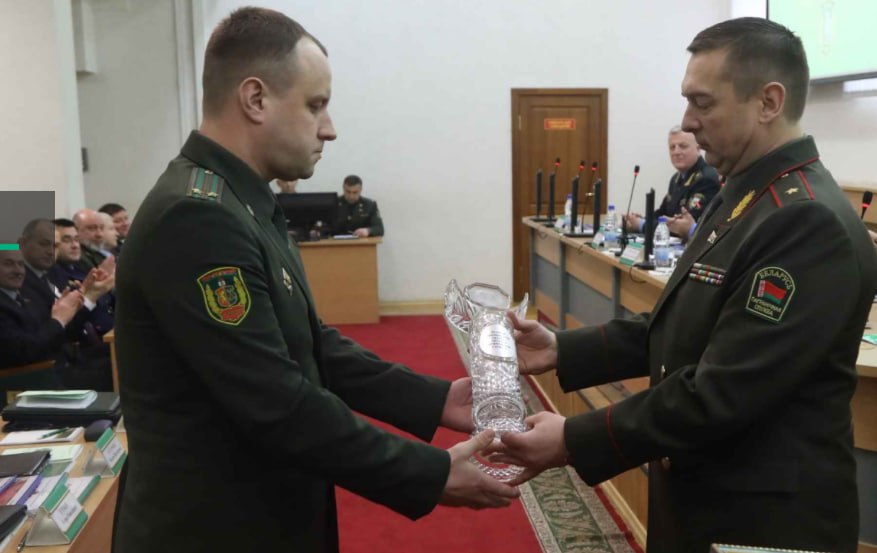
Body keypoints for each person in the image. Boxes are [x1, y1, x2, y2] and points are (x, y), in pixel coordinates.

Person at [112, 8, 516, 553]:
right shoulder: (197, 216)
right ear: (255, 99)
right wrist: (429, 472)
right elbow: (274, 400)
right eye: (315, 104)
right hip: (215, 529)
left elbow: (308, 340)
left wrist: (435, 398)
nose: (329, 127)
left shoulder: (240, 200)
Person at [496, 17, 876, 553]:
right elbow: (678, 323)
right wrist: (561, 348)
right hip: (708, 495)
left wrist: (573, 439)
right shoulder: (744, 193)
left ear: (768, 102)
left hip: (760, 522)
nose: (687, 122)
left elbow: (723, 391)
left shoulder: (804, 219)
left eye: (703, 103)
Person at [624, 126, 720, 242]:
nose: (676, 152)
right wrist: (639, 220)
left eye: (683, 146)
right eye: (672, 147)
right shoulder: (676, 178)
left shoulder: (706, 179)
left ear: (698, 148)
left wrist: (642, 225)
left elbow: (681, 227)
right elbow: (663, 213)